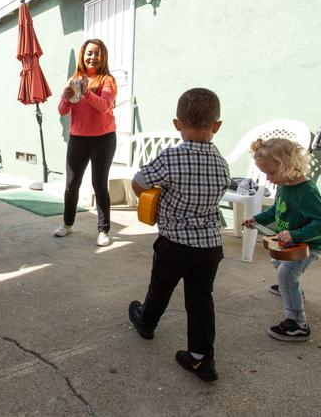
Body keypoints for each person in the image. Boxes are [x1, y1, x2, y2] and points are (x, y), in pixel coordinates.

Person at [127, 88, 230, 382]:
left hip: (174, 243)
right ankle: (201, 360)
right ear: (217, 126)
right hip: (209, 247)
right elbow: (219, 191)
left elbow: (138, 181)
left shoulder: (171, 157)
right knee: (200, 300)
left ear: (177, 124)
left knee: (161, 286)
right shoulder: (222, 164)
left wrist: (151, 197)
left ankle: (146, 323)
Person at [242, 138, 321, 342]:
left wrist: (296, 234)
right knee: (279, 265)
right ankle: (292, 289)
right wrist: (257, 219)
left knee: (286, 274)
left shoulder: (307, 191)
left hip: (307, 246)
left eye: (272, 173)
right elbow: (276, 211)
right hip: (288, 245)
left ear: (289, 166)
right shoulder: (284, 185)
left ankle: (298, 324)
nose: (269, 178)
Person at [54, 38, 117, 247]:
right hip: (78, 139)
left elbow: (105, 106)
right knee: (72, 184)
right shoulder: (74, 79)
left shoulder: (107, 80)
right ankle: (67, 223)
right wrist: (65, 98)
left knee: (99, 184)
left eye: (97, 53)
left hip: (103, 139)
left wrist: (87, 92)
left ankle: (103, 230)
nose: (92, 57)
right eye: (89, 53)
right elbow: (63, 111)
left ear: (102, 57)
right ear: (83, 55)